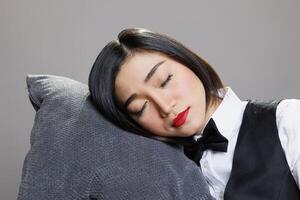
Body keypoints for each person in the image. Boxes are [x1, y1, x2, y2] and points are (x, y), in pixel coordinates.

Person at [88, 27, 300, 200]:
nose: (165, 106)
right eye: (140, 108)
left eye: (164, 80)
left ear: (187, 60)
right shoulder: (156, 172)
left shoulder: (288, 119)